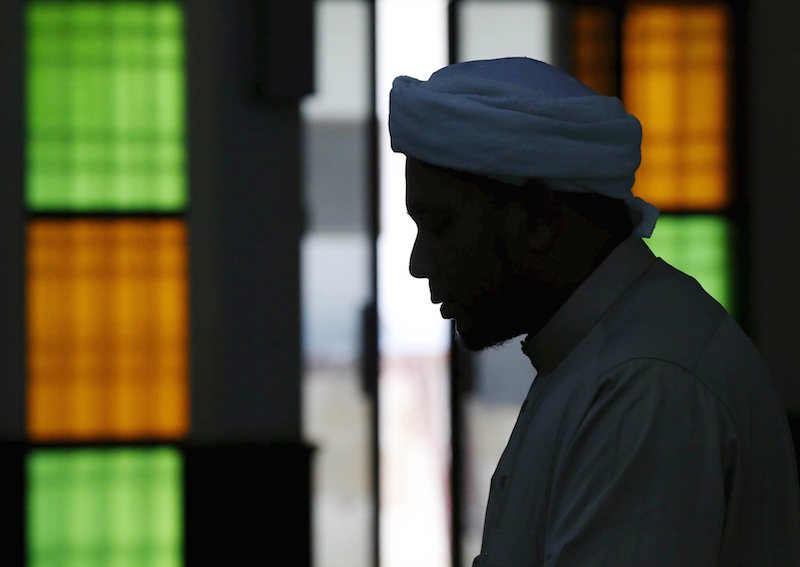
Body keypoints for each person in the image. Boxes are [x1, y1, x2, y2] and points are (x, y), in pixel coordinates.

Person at [389, 57, 800, 566]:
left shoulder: (644, 382)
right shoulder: (597, 357)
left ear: (540, 217)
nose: (418, 263)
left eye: (442, 225)